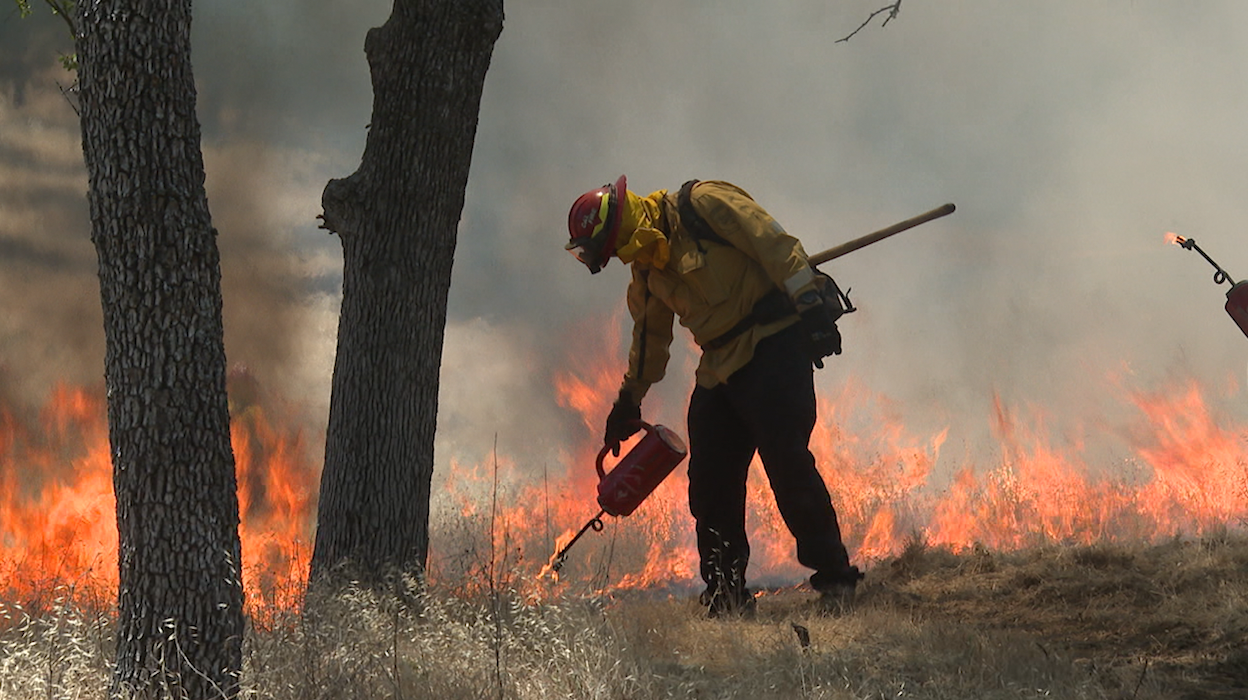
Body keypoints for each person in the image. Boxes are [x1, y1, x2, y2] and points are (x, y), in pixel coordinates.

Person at [564, 175, 863, 616]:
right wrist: (628, 401)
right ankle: (726, 595)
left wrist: (810, 305)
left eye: (613, 249)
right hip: (720, 365)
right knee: (710, 483)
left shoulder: (704, 205)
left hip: (771, 344)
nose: (618, 259)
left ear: (621, 229)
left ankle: (836, 580)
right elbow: (649, 339)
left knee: (787, 463)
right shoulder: (646, 269)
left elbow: (775, 246)